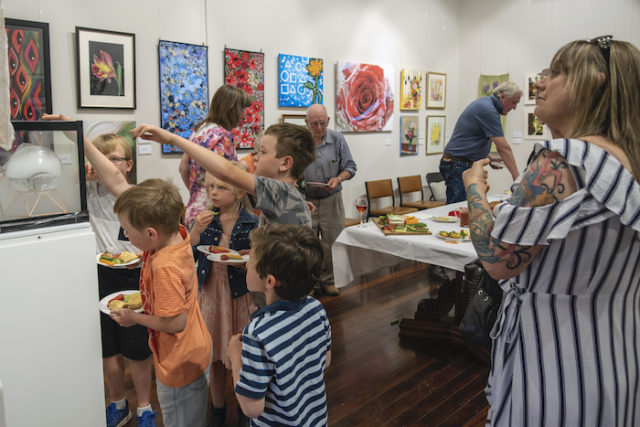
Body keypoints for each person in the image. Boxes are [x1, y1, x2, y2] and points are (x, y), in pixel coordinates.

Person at [462, 36, 640, 426]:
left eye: (555, 72)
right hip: (616, 350)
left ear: (593, 82)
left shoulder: (563, 160)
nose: (540, 83)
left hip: (556, 361)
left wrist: (474, 188)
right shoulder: (627, 159)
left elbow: (497, 260)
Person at [111, 179, 213, 427]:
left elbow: (176, 323)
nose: (126, 235)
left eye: (127, 231)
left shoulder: (165, 267)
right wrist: (143, 259)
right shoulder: (178, 233)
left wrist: (133, 318)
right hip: (193, 348)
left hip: (179, 362)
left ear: (151, 233)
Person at [227, 224, 332, 425]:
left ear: (269, 281)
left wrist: (235, 356)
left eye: (251, 260)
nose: (246, 265)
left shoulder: (258, 334)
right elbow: (325, 361)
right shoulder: (316, 307)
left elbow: (251, 408)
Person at [87, 134, 155, 427]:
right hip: (98, 274)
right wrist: (80, 172)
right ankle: (118, 402)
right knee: (109, 347)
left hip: (134, 274)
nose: (107, 165)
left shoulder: (134, 195)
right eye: (102, 158)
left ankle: (145, 407)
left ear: (128, 165)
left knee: (137, 347)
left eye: (114, 159)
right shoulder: (87, 191)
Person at [132, 123, 316, 228]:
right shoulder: (287, 194)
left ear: (285, 163)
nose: (255, 157)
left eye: (263, 152)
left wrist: (172, 139)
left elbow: (226, 172)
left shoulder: (282, 192)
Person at [190, 168, 258, 427]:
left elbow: (258, 262)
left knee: (243, 355)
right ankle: (217, 408)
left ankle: (244, 409)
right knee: (216, 356)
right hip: (211, 294)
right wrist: (195, 231)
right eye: (210, 187)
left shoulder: (252, 223)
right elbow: (190, 254)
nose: (213, 193)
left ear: (240, 192)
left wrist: (249, 259)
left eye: (221, 187)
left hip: (240, 296)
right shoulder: (205, 220)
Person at [303, 104, 357, 296]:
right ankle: (309, 283)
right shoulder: (299, 141)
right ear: (306, 123)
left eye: (322, 123)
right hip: (306, 200)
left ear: (328, 121)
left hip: (331, 199)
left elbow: (350, 167)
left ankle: (329, 280)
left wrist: (338, 178)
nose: (319, 128)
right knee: (307, 244)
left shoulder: (337, 139)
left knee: (331, 242)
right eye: (314, 124)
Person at [179, 84, 251, 229]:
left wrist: (196, 193)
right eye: (241, 110)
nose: (244, 115)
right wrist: (243, 167)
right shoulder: (222, 136)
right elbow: (224, 176)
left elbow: (183, 168)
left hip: (194, 209)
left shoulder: (200, 130)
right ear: (229, 109)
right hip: (213, 213)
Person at [440, 81, 522, 203]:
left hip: (459, 162)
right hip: (458, 164)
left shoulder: (486, 104)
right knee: (459, 208)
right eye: (514, 102)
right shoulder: (488, 110)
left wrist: (488, 157)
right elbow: (503, 148)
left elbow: (471, 137)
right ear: (502, 97)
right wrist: (518, 181)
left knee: (469, 207)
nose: (514, 108)